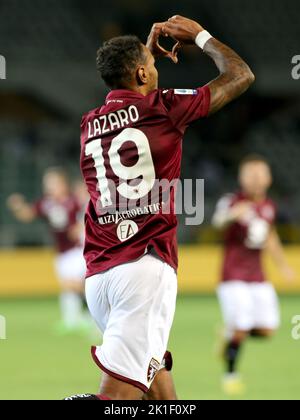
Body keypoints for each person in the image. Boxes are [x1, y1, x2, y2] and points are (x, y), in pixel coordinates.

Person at [71, 15, 254, 401]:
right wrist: (201, 36)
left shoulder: (89, 125)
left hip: (100, 277)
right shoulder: (164, 108)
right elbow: (240, 76)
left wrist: (144, 64)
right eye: (152, 67)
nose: (157, 71)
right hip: (143, 269)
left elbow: (134, 113)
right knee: (116, 402)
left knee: (161, 396)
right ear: (140, 73)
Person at [212, 155, 295, 395]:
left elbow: (270, 237)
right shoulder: (232, 201)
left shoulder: (268, 206)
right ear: (242, 177)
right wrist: (231, 215)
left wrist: (282, 266)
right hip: (233, 276)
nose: (257, 179)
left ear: (268, 178)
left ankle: (227, 334)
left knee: (268, 330)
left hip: (258, 276)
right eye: (251, 174)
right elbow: (217, 223)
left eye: (261, 174)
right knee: (241, 326)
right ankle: (230, 375)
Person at [7, 167, 87, 334]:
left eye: (53, 183)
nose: (50, 187)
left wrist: (80, 228)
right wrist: (17, 206)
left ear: (63, 184)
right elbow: (27, 215)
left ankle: (93, 313)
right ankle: (72, 321)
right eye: (47, 184)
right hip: (61, 251)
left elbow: (89, 215)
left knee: (74, 284)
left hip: (79, 249)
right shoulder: (46, 204)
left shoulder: (74, 200)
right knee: (67, 287)